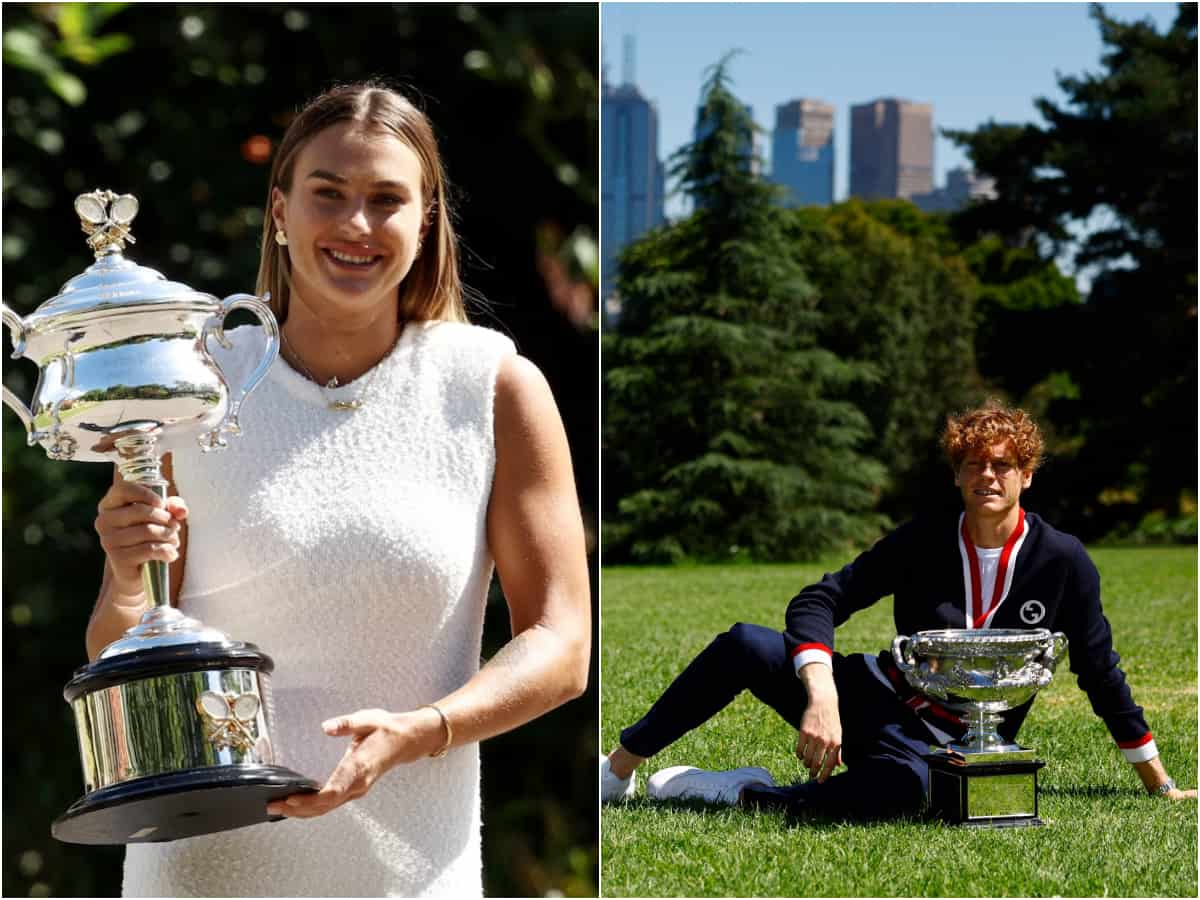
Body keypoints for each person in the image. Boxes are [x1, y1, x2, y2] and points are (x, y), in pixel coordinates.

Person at [88, 81, 591, 897]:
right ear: (281, 210)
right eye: (329, 194)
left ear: (425, 220)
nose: (357, 225)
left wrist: (424, 732)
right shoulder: (187, 385)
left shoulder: (493, 386)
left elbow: (562, 645)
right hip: (201, 871)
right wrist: (120, 575)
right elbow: (122, 658)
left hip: (410, 874)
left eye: (386, 199)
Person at [601, 401, 1195, 816]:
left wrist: (1158, 782)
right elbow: (821, 599)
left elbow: (1099, 671)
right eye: (973, 463)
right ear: (958, 473)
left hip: (947, 744)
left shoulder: (1063, 561)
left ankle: (741, 793)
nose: (986, 474)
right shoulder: (924, 538)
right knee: (743, 644)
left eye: (1002, 464)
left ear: (1027, 476)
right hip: (874, 696)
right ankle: (619, 768)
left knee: (907, 794)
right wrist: (822, 691)